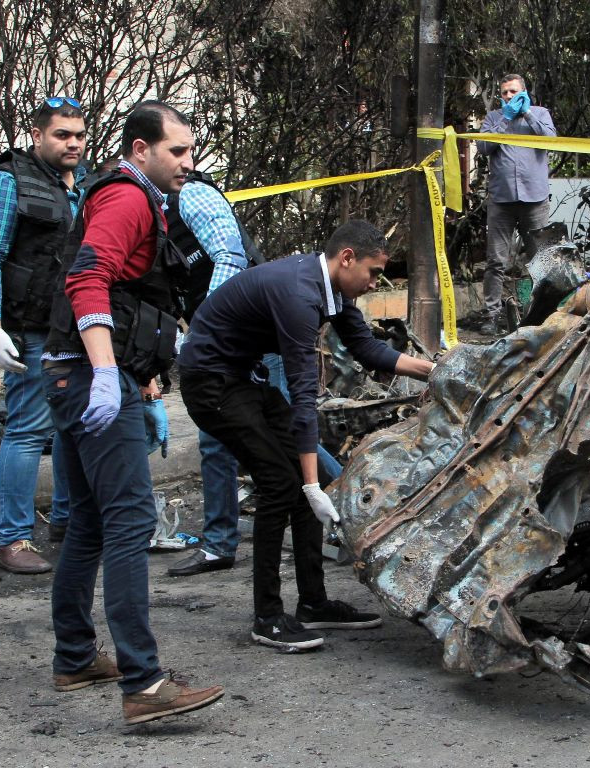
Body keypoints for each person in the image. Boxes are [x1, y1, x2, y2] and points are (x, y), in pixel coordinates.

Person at [41, 101, 223, 724]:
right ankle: (143, 684)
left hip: (72, 372)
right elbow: (88, 278)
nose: (187, 164)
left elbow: (122, 289)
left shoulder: (127, 196)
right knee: (128, 522)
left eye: (191, 151)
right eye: (177, 152)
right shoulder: (127, 199)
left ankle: (75, 658)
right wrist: (107, 375)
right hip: (91, 375)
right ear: (141, 150)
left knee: (90, 522)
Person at [177, 220, 434, 653]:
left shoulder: (331, 289)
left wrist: (437, 371)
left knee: (295, 480)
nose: (374, 284)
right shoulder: (299, 294)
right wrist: (314, 484)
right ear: (347, 258)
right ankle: (268, 617)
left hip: (241, 376)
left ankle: (313, 603)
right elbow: (302, 396)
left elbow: (369, 350)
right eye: (372, 273)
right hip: (209, 382)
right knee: (282, 483)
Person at [0, 97, 86, 574]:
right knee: (26, 431)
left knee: (70, 429)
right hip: (29, 329)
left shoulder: (83, 186)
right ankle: (13, 540)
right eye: (62, 135)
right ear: (37, 136)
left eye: (79, 134)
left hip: (72, 328)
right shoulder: (8, 182)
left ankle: (64, 519)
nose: (73, 143)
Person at [162, 170, 260, 577]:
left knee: (287, 430)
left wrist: (202, 330)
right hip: (220, 335)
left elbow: (230, 258)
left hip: (251, 328)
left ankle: (355, 512)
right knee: (215, 438)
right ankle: (219, 545)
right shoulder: (148, 213)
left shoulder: (190, 196)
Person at [476, 73, 557, 335]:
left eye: (513, 92)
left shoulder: (540, 114)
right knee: (495, 261)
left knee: (541, 260)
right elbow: (484, 147)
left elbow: (551, 141)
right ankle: (490, 317)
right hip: (502, 200)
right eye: (505, 93)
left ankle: (541, 315)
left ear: (524, 92)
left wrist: (528, 115)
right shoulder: (494, 118)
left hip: (535, 199)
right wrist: (506, 117)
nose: (509, 97)